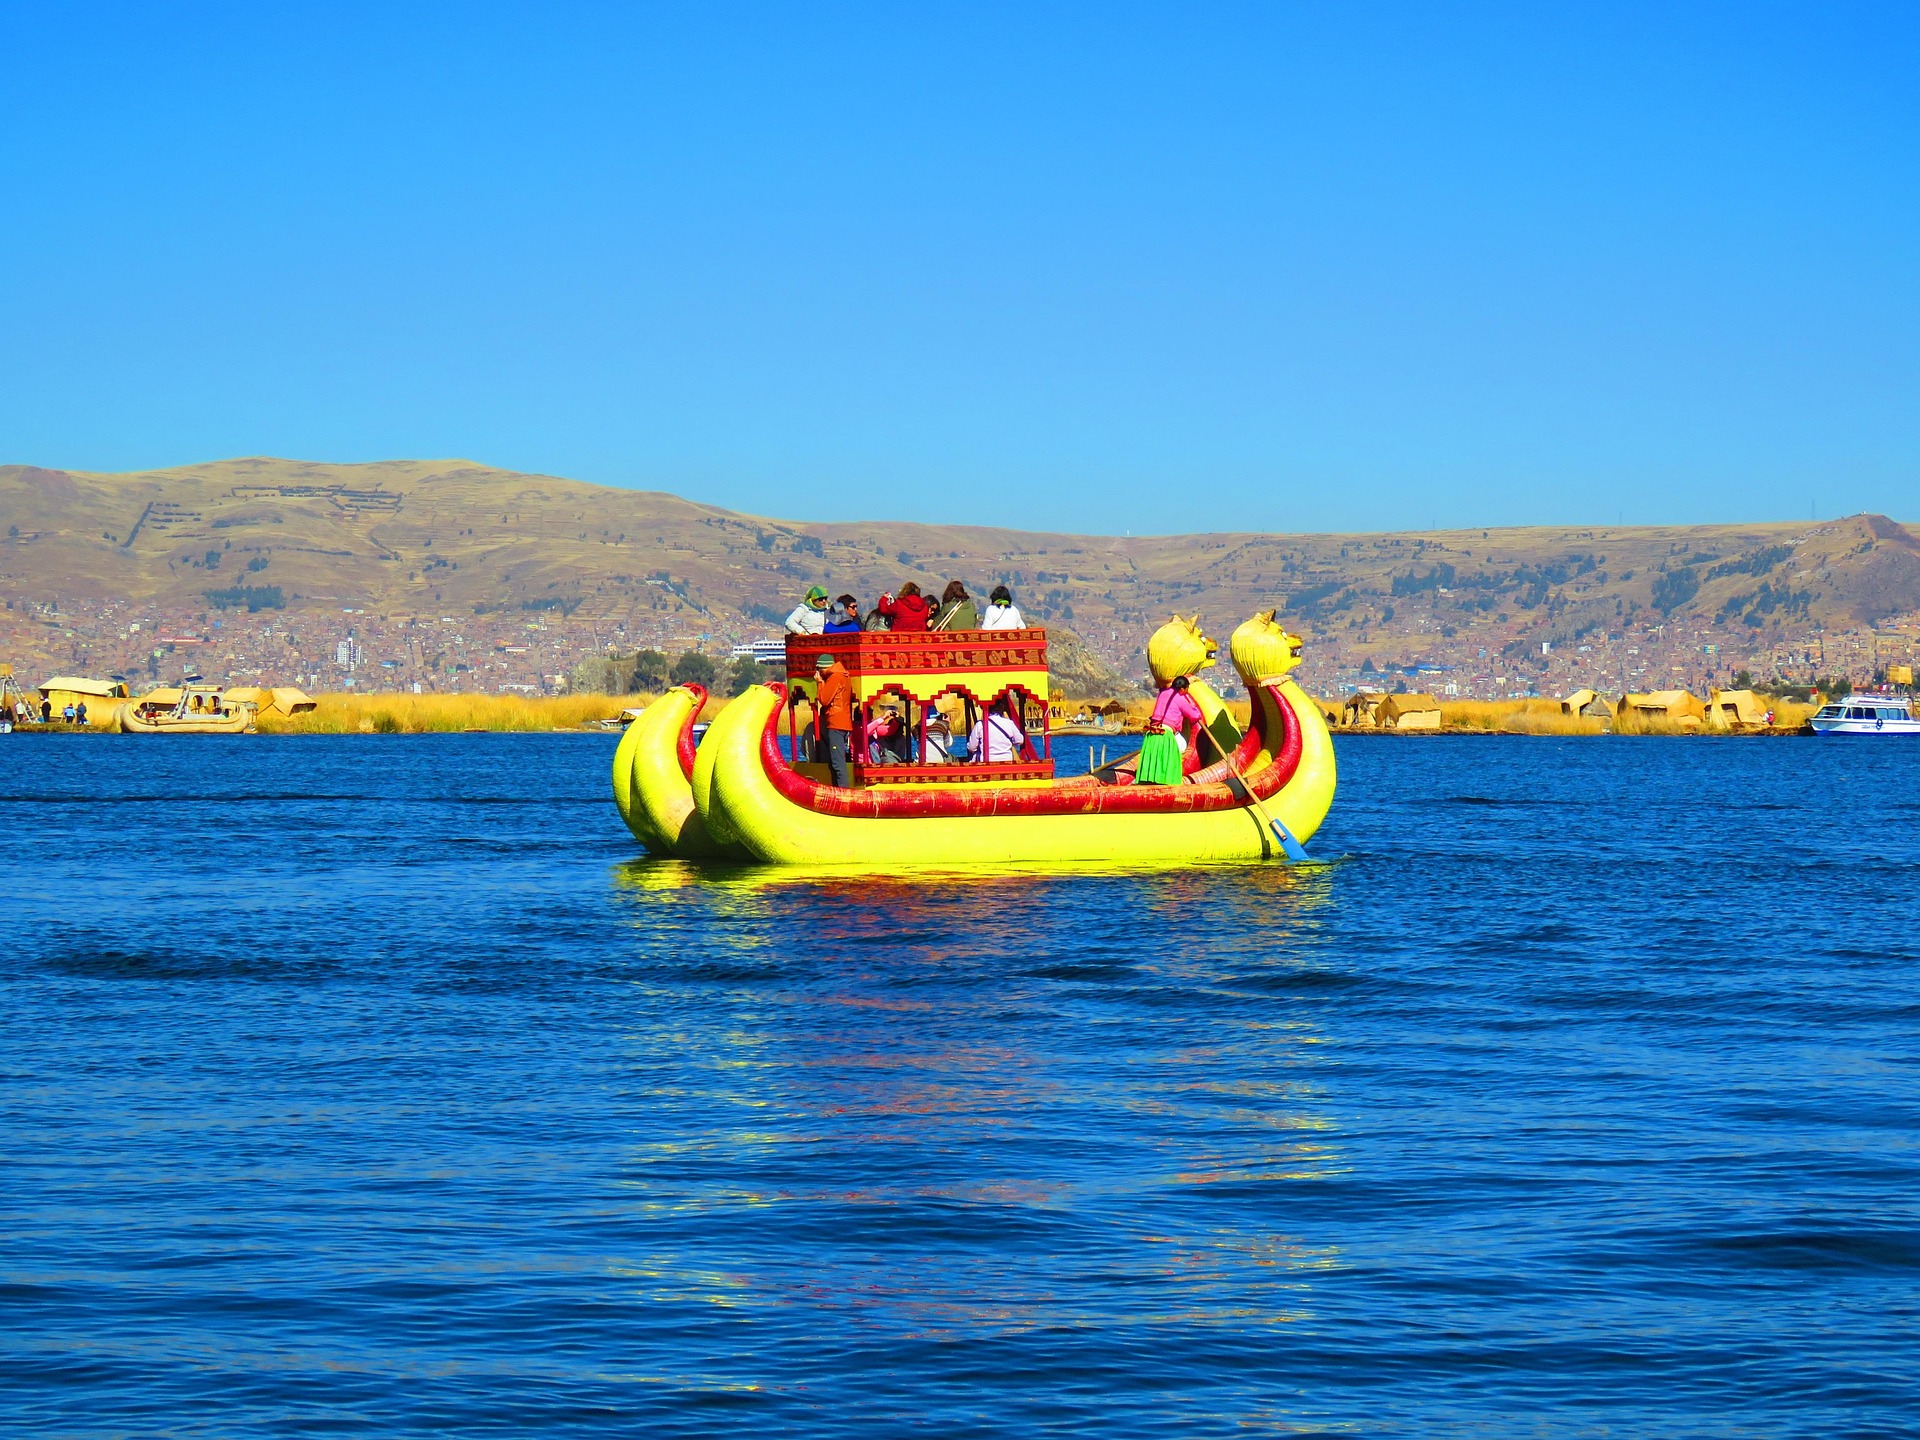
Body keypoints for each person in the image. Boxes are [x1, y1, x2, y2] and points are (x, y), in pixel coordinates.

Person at [1137, 675, 1203, 785]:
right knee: (1180, 747)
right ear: (1182, 689)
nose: (1187, 692)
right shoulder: (1180, 698)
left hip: (1152, 733)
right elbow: (1195, 715)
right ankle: (1167, 780)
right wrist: (1193, 705)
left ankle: (1150, 781)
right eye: (1187, 690)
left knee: (1155, 758)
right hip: (1166, 735)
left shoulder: (1162, 694)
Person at [815, 652, 854, 787]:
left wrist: (820, 683)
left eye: (819, 670)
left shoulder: (835, 677)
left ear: (823, 668)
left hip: (836, 722)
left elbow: (824, 699)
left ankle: (844, 792)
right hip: (843, 721)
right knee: (838, 759)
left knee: (838, 762)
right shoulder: (844, 675)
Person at [967, 694, 1027, 764]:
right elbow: (1020, 740)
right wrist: (1009, 742)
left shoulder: (980, 725)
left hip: (987, 763)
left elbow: (971, 747)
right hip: (1007, 762)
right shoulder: (1009, 723)